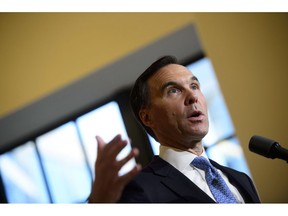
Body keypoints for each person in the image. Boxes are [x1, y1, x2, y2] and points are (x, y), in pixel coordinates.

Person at [88, 55, 261, 203]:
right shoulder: (139, 190)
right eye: (173, 91)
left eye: (194, 86)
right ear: (147, 117)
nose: (193, 96)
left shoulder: (240, 179)